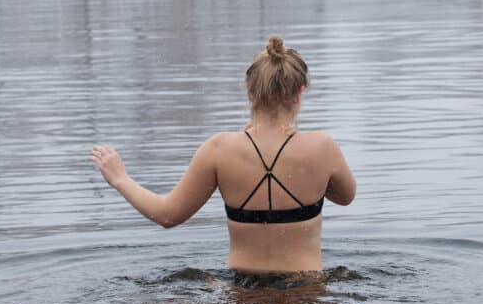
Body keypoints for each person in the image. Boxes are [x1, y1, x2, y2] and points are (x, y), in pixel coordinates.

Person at [91, 35, 356, 276]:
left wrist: (120, 179)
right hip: (306, 296)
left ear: (250, 92)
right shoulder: (322, 148)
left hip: (242, 295)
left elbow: (167, 215)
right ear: (300, 93)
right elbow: (345, 197)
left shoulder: (219, 149)